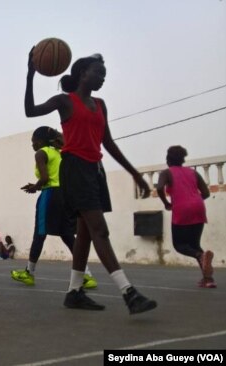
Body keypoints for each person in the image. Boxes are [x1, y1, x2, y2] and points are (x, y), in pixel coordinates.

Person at [25, 51, 157, 314]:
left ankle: (74, 293)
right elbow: (30, 111)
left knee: (84, 234)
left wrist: (134, 172)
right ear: (83, 73)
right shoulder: (65, 101)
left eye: (105, 75)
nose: (103, 78)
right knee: (100, 230)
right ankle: (128, 293)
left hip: (95, 171)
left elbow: (107, 142)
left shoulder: (101, 105)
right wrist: (30, 74)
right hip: (74, 169)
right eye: (99, 73)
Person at [11, 127, 97, 288]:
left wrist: (35, 187)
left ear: (40, 141)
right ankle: (86, 275)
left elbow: (45, 178)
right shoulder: (59, 152)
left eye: (33, 141)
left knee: (39, 233)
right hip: (65, 195)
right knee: (67, 235)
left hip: (50, 194)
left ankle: (29, 273)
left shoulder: (41, 153)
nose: (32, 145)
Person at [156, 146, 215, 288]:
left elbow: (159, 188)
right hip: (199, 208)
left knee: (180, 245)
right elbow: (206, 193)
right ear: (182, 159)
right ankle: (208, 280)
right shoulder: (193, 172)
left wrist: (166, 203)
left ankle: (201, 257)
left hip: (181, 209)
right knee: (194, 245)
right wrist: (194, 200)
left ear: (168, 159)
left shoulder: (166, 173)